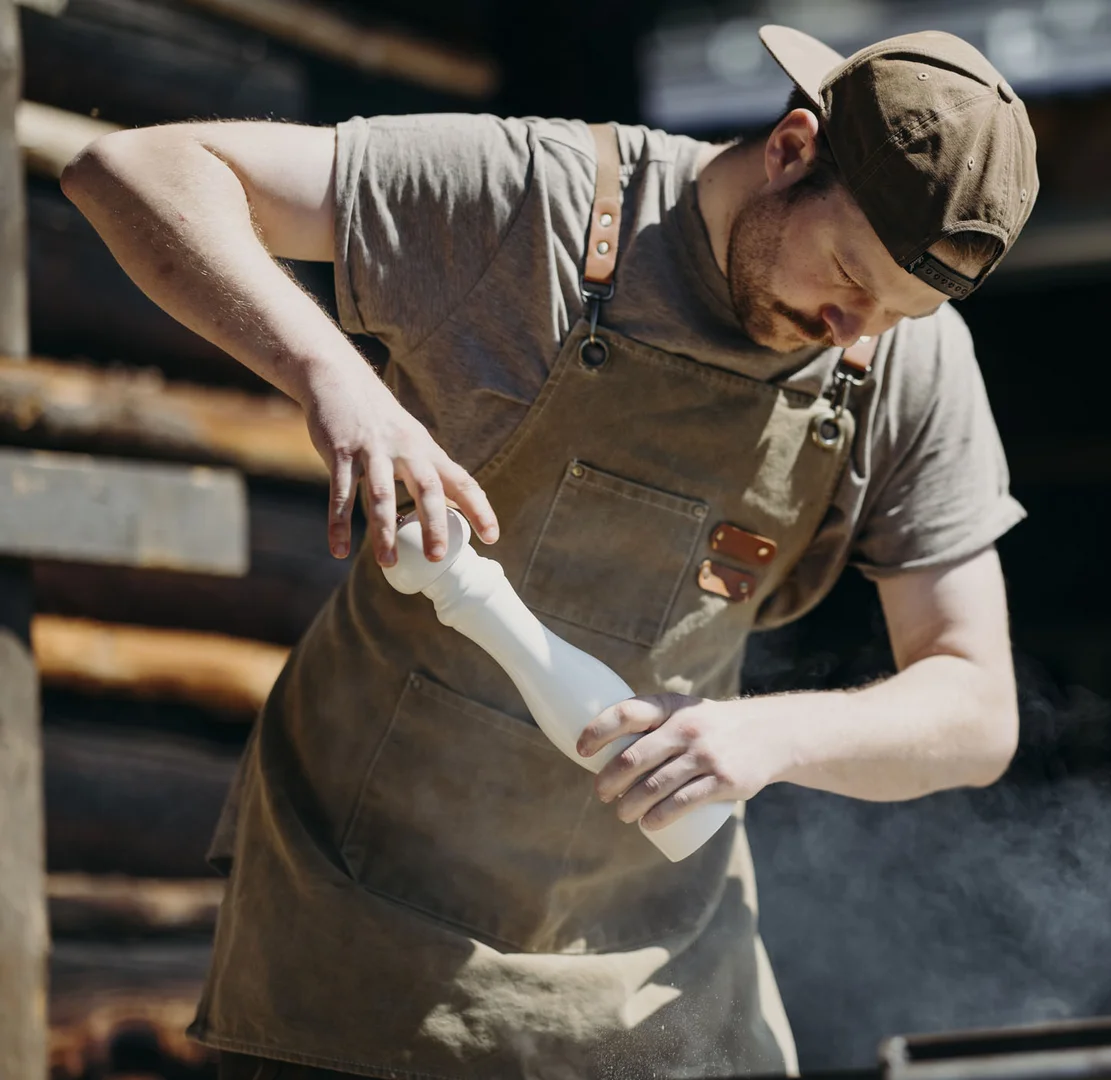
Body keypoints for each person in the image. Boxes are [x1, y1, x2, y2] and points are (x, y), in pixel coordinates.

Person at [62, 24, 1037, 1080]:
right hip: (371, 937)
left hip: (665, 973)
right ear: (792, 150)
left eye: (901, 312)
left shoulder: (905, 362)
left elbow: (976, 709)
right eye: (848, 275)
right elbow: (136, 169)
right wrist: (330, 375)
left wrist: (770, 736)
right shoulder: (534, 201)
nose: (856, 332)